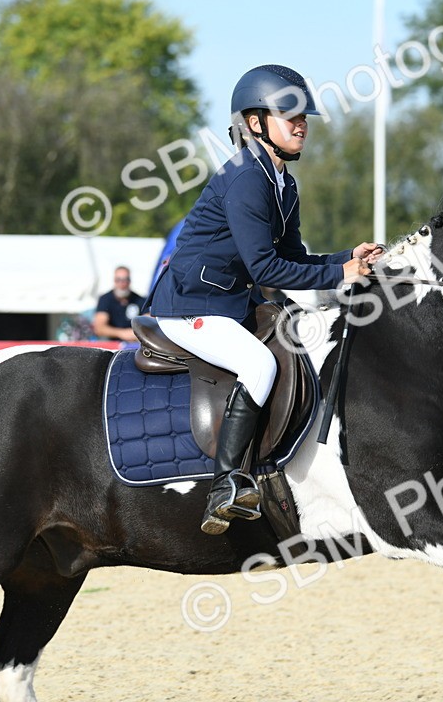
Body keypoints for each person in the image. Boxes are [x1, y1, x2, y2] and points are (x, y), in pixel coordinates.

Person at [146, 64, 382, 535]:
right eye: (289, 115)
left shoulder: (282, 183)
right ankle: (226, 483)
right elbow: (268, 270)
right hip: (190, 306)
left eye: (304, 117)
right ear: (255, 123)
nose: (302, 125)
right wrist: (340, 273)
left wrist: (346, 257)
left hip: (228, 302)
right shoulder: (245, 178)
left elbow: (294, 256)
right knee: (259, 365)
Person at [94, 266, 145, 342]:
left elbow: (149, 323)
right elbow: (99, 328)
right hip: (112, 344)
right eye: (118, 280)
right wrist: (122, 333)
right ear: (114, 281)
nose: (122, 283)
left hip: (135, 343)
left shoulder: (140, 300)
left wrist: (136, 333)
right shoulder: (105, 299)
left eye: (125, 280)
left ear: (129, 281)